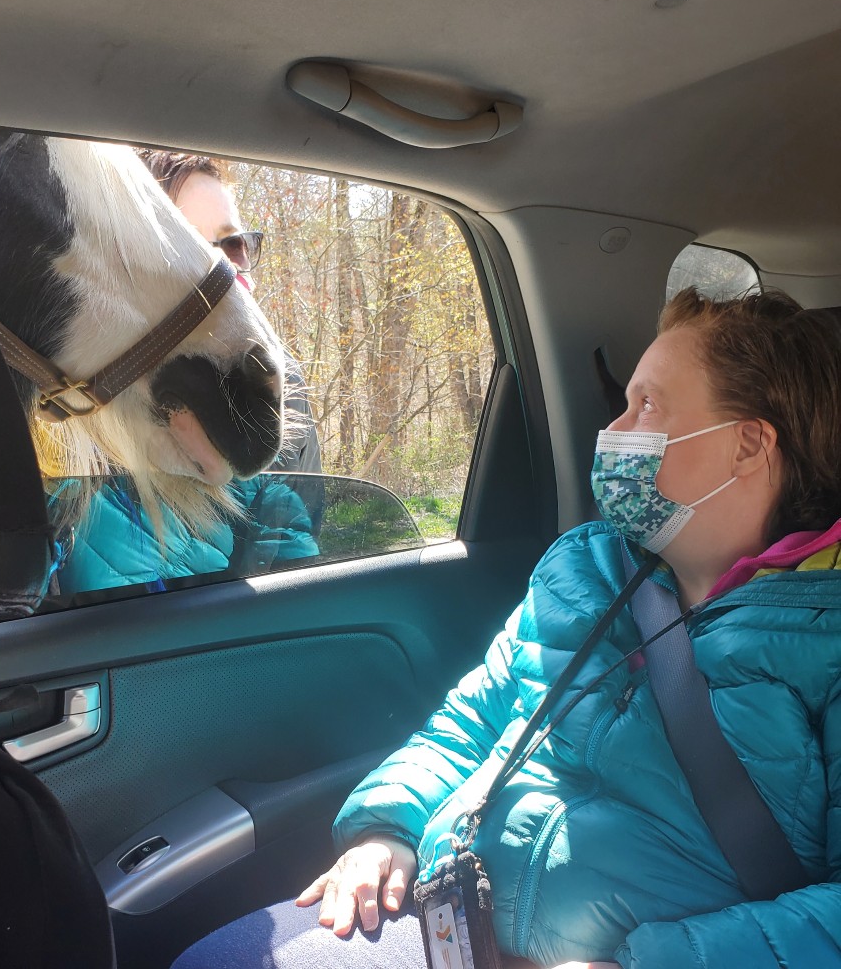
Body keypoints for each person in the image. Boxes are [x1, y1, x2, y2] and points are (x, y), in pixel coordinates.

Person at [171, 288, 841, 969]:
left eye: (650, 406)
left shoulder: (827, 635)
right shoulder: (585, 569)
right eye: (625, 404)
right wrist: (386, 829)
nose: (617, 431)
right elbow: (468, 724)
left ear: (749, 444)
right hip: (454, 921)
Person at [137, 149, 322, 475]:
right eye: (189, 247)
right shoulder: (102, 402)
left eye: (234, 244)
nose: (225, 268)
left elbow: (301, 520)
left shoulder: (280, 377)